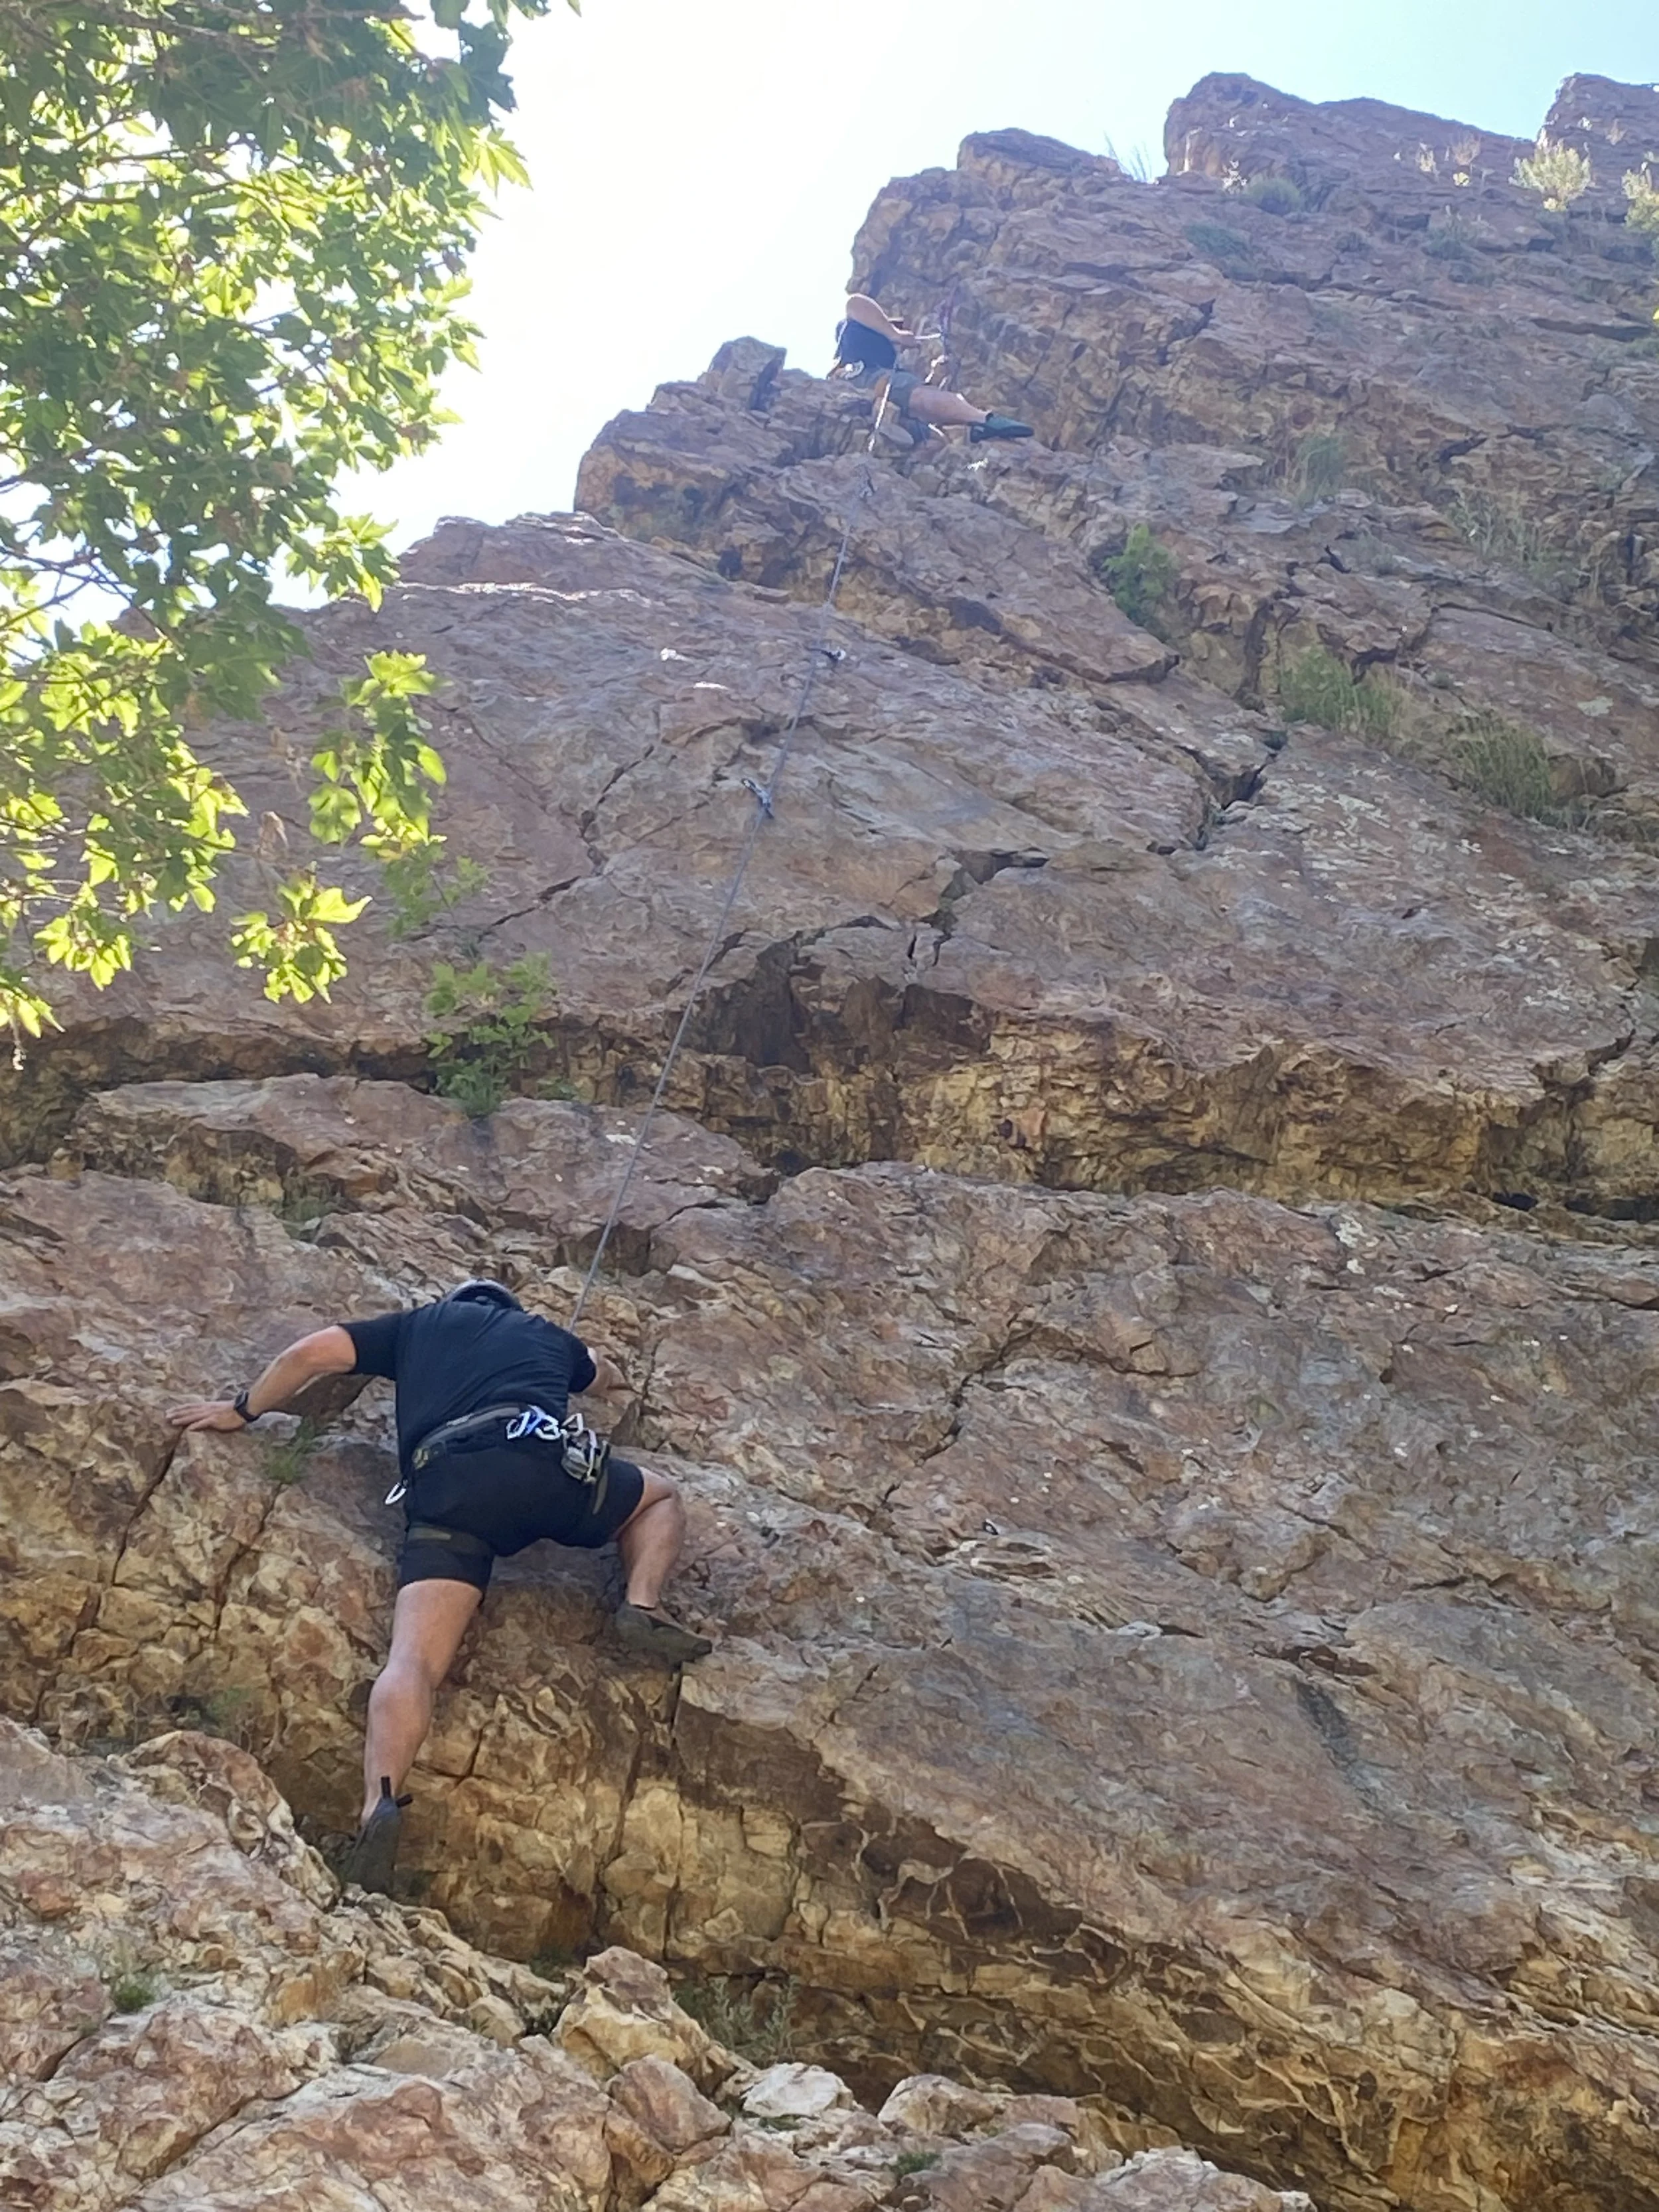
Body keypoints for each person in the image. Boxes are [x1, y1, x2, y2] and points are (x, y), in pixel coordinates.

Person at [167, 1278, 711, 1891]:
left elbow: (310, 1354)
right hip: (540, 1468)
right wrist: (607, 1377)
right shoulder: (541, 1333)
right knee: (659, 1497)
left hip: (447, 1491)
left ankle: (380, 1803)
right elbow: (600, 1371)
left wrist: (241, 1410)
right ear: (506, 1308)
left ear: (457, 1302)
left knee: (413, 1661)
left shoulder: (414, 1327)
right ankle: (641, 1602)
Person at [831, 292, 1034, 447]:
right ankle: (983, 420)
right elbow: (855, 302)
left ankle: (971, 430)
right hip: (867, 379)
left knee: (932, 433)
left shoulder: (894, 368)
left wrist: (935, 375)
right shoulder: (853, 331)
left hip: (887, 394)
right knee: (918, 396)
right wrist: (895, 334)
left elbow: (915, 399)